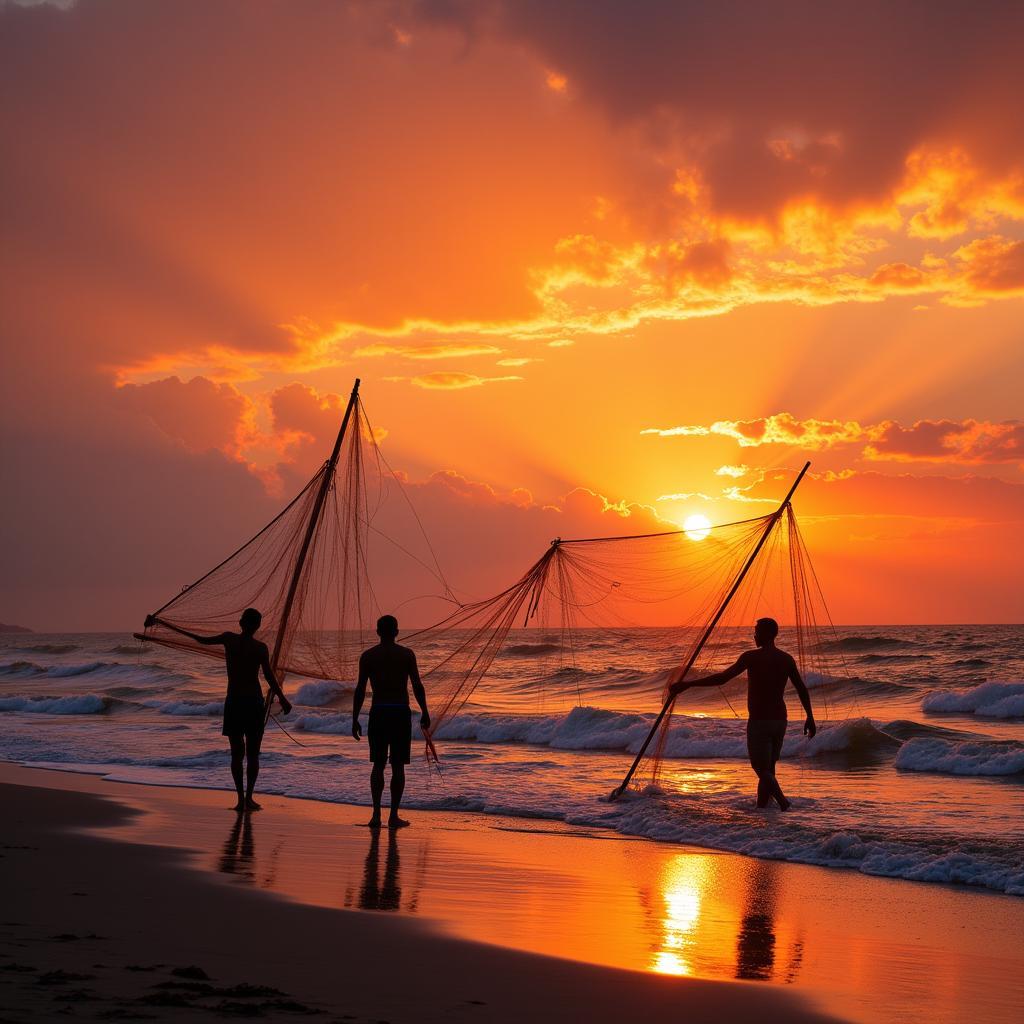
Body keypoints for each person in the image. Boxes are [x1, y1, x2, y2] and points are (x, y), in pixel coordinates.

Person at [144, 608, 291, 812]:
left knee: (236, 754)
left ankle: (240, 800)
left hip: (234, 702)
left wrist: (165, 624)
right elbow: (269, 677)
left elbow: (200, 640)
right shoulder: (260, 648)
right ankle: (249, 799)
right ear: (257, 626)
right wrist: (283, 699)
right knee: (253, 754)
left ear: (241, 623)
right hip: (253, 702)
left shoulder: (229, 639)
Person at [670, 617, 815, 810]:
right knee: (769, 768)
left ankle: (783, 802)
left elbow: (722, 678)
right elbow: (801, 689)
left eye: (757, 631)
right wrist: (810, 717)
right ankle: (762, 808)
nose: (754, 635)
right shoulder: (786, 659)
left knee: (760, 768)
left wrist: (687, 685)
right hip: (780, 721)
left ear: (767, 634)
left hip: (760, 721)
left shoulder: (751, 657)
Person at [352, 614, 430, 829]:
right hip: (399, 713)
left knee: (378, 764)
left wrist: (355, 718)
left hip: (378, 712)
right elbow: (417, 685)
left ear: (378, 632)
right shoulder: (406, 655)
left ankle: (376, 814)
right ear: (396, 632)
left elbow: (360, 690)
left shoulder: (368, 656)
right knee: (398, 766)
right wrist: (425, 711)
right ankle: (393, 816)